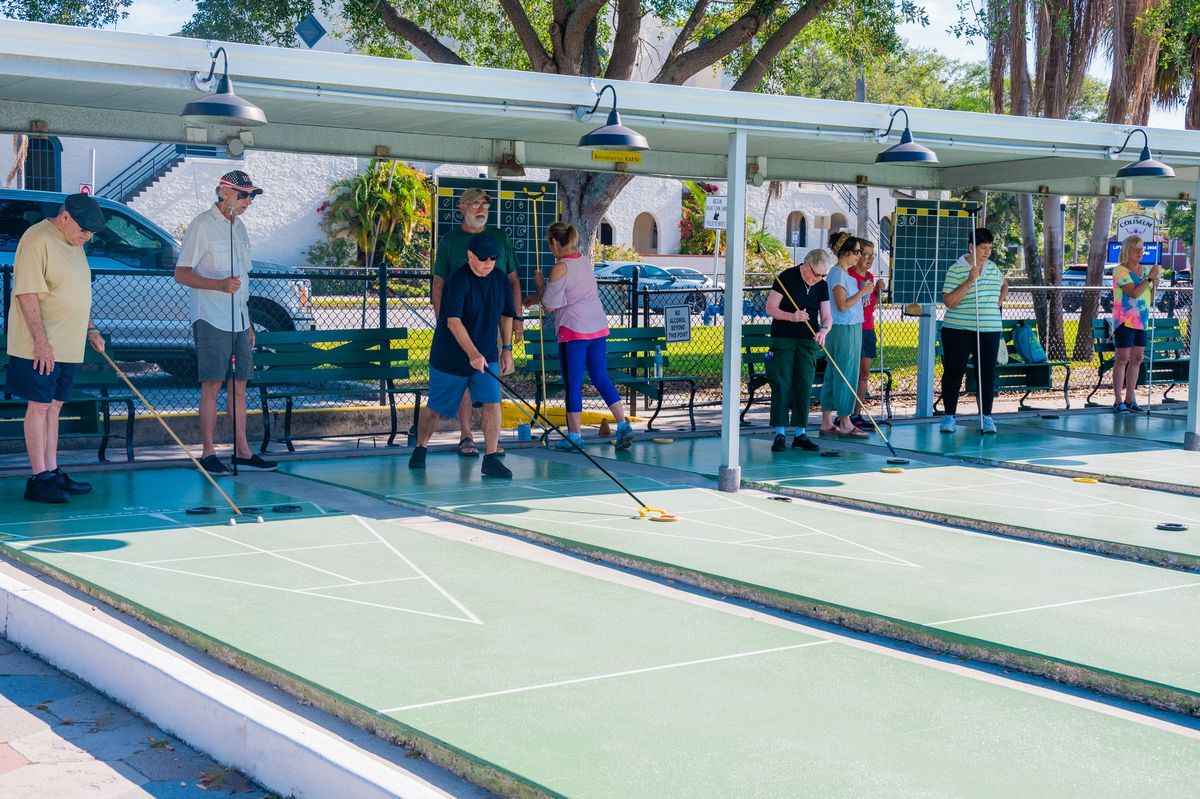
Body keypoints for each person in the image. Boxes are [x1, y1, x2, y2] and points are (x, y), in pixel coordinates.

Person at [173, 170, 277, 475]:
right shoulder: (202, 225)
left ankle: (242, 451)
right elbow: (181, 273)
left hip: (239, 319)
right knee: (212, 385)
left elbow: (242, 281)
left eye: (251, 195)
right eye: (243, 195)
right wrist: (219, 286)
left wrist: (248, 322)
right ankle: (208, 453)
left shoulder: (240, 227)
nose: (248, 201)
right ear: (223, 192)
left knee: (240, 385)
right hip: (211, 318)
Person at [5, 194, 107, 503]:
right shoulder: (37, 239)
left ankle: (52, 470)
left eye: (91, 233)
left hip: (68, 342)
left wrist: (91, 329)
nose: (86, 237)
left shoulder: (75, 243)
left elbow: (77, 289)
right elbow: (26, 294)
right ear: (65, 217)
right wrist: (40, 341)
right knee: (38, 406)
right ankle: (38, 478)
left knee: (55, 405)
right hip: (40, 345)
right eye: (83, 230)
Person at [410, 233, 515, 479]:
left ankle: (490, 458)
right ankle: (420, 449)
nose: (489, 262)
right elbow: (453, 322)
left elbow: (507, 315)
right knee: (435, 408)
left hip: (486, 353)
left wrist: (507, 349)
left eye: (493, 258)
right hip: (451, 356)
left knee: (492, 402)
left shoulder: (499, 278)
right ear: (470, 256)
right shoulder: (458, 280)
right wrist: (472, 353)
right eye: (483, 258)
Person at [432, 188, 523, 457]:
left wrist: (517, 320)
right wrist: (443, 322)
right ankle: (466, 435)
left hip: (492, 323)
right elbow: (439, 283)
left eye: (484, 204)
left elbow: (513, 280)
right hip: (459, 325)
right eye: (474, 204)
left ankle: (492, 444)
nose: (481, 208)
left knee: (492, 383)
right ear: (462, 208)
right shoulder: (450, 241)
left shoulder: (500, 238)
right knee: (463, 381)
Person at [534, 223, 634, 451]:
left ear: (554, 243)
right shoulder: (583, 262)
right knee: (601, 378)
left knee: (574, 384)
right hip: (597, 328)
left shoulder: (561, 267)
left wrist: (540, 286)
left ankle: (575, 436)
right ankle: (622, 424)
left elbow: (549, 305)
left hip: (574, 330)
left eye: (549, 243)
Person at [939, 227, 1008, 434]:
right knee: (954, 371)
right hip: (958, 329)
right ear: (971, 247)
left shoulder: (994, 268)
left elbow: (1005, 284)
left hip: (989, 329)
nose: (987, 252)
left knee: (987, 373)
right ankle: (949, 416)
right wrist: (969, 281)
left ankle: (986, 416)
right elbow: (949, 301)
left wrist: (1000, 300)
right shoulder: (956, 269)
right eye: (983, 248)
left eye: (990, 248)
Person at [765, 249, 832, 452]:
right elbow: (771, 308)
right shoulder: (787, 277)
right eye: (815, 274)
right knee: (782, 383)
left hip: (808, 340)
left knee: (804, 383)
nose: (818, 278)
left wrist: (824, 331)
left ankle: (800, 433)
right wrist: (791, 316)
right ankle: (779, 432)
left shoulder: (821, 285)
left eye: (823, 275)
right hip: (784, 337)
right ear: (805, 265)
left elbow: (827, 316)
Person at [819, 233, 873, 438]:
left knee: (834, 373)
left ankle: (826, 421)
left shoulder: (845, 275)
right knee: (845, 373)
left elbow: (848, 303)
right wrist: (861, 293)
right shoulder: (838, 274)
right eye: (857, 251)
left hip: (849, 327)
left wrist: (862, 297)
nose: (860, 256)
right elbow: (841, 306)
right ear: (845, 253)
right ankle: (845, 421)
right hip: (844, 329)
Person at [1110, 234, 1157, 413]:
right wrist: (1149, 279)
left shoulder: (1145, 271)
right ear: (1127, 250)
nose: (1140, 252)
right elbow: (1133, 293)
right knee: (1123, 359)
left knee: (1137, 359)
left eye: (1141, 249)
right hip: (1125, 320)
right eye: (1136, 249)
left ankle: (1131, 398)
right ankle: (1118, 399)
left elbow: (1149, 297)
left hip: (1141, 321)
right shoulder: (1120, 271)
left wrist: (1154, 282)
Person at [848, 239, 885, 429]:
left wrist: (878, 292)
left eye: (873, 255)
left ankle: (857, 414)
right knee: (851, 372)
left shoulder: (869, 276)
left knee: (864, 373)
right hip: (853, 329)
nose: (870, 259)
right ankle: (844, 414)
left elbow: (870, 305)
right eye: (866, 254)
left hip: (868, 329)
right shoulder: (849, 275)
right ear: (857, 255)